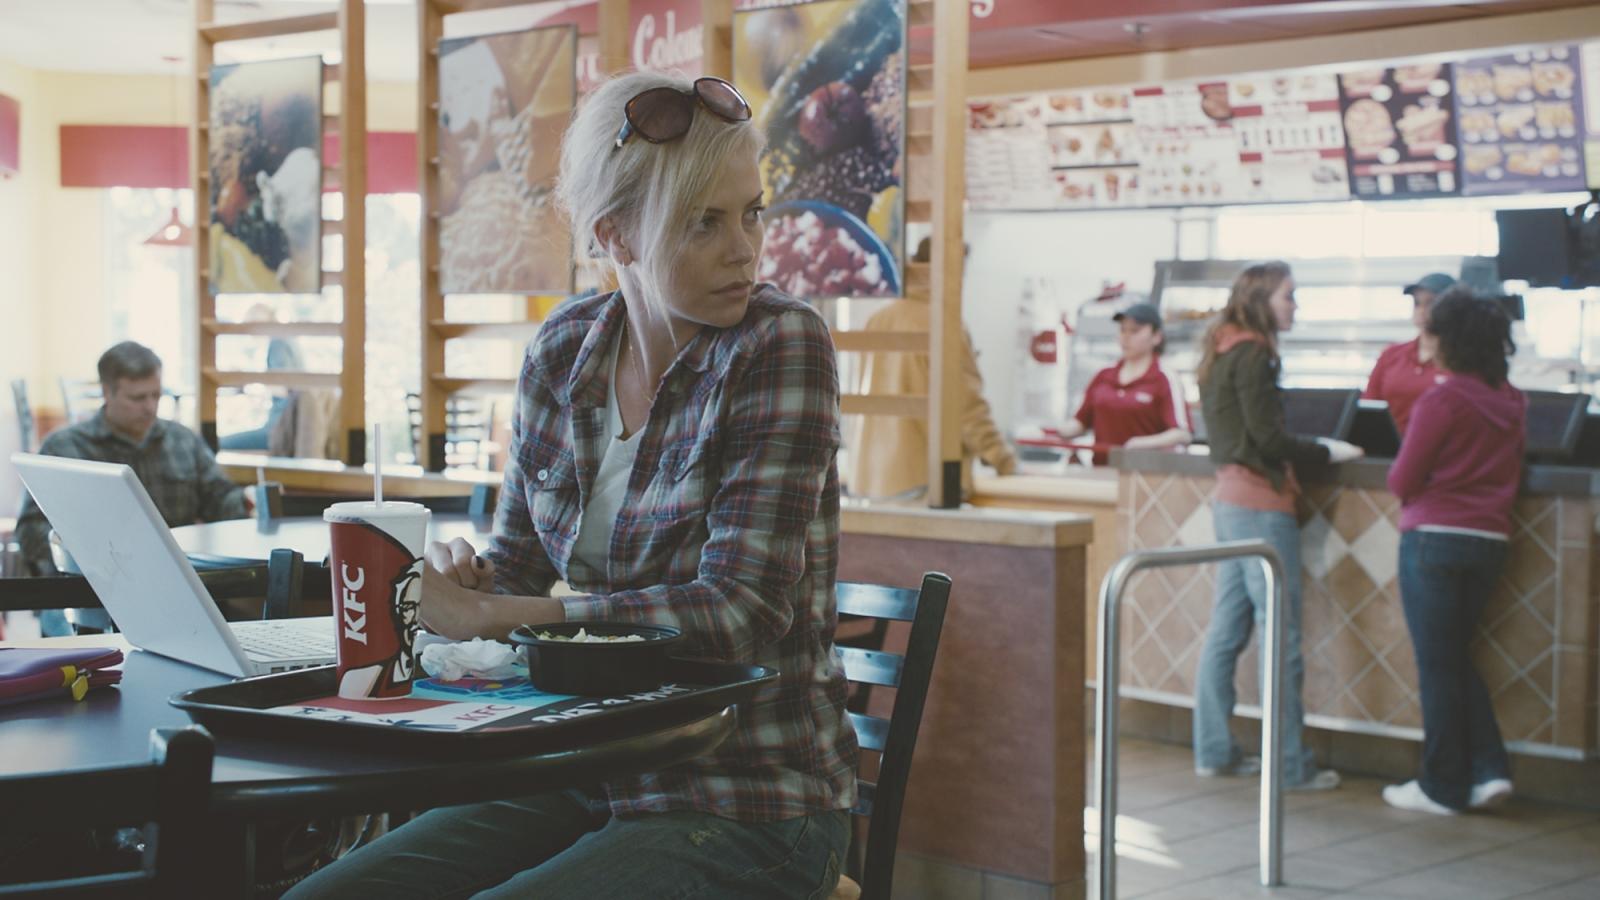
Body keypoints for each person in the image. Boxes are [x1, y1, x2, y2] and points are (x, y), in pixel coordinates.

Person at [285, 72, 855, 899]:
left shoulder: (780, 345)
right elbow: (518, 566)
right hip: (581, 767)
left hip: (750, 797)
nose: (745, 248)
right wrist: (468, 582)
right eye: (705, 222)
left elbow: (741, 613)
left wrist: (495, 615)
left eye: (752, 212)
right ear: (615, 236)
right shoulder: (563, 349)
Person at [1192, 261, 1362, 792]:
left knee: (1226, 631)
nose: (1295, 305)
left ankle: (1213, 750)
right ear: (1261, 299)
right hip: (1263, 506)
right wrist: (1326, 450)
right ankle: (1289, 764)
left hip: (1228, 501)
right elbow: (1268, 440)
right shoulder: (1255, 355)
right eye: (1289, 295)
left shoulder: (1220, 349)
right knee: (1279, 636)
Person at [1382, 288, 1523, 816]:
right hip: (1491, 540)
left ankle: (1441, 786)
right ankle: (1489, 770)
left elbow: (1402, 479)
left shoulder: (1441, 400)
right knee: (1455, 657)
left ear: (1450, 340)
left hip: (1433, 539)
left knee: (1438, 665)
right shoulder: (1512, 400)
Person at [15, 341, 249, 636]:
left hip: (173, 591)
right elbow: (30, 531)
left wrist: (246, 501)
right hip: (88, 596)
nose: (150, 407)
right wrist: (84, 547)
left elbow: (220, 499)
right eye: (137, 398)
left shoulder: (183, 441)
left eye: (156, 395)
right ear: (107, 392)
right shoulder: (64, 448)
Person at [846, 236, 1017, 501]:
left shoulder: (878, 319)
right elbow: (966, 405)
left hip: (870, 479)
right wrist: (1003, 460)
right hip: (923, 480)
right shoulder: (943, 324)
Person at [1053, 302, 1191, 465]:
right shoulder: (1104, 375)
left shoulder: (1165, 378)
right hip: (1101, 471)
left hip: (1145, 474)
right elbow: (1081, 422)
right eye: (1123, 330)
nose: (1126, 336)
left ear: (1156, 337)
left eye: (1134, 331)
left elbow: (1182, 434)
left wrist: (1141, 444)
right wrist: (1058, 430)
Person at [1362, 272, 1455, 434]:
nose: (1422, 310)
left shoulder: (1462, 360)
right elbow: (1367, 407)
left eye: (1431, 303)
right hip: (1388, 447)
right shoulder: (1391, 355)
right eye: (1417, 303)